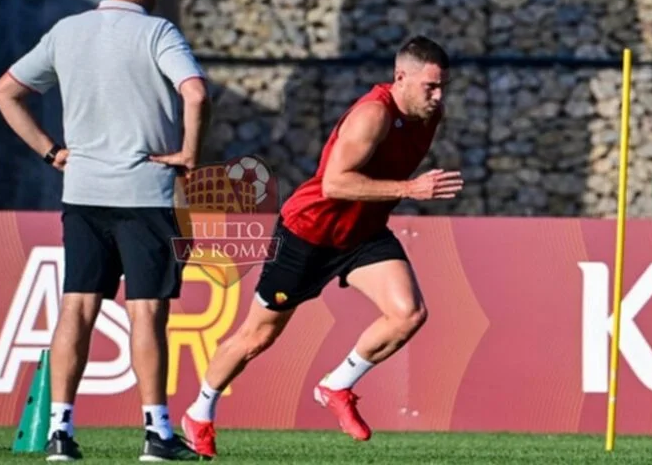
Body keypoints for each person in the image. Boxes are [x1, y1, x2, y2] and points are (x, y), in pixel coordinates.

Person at [180, 36, 463, 457]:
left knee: (409, 313)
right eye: (430, 87)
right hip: (309, 233)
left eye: (443, 87)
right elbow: (334, 183)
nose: (439, 97)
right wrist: (410, 188)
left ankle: (337, 385)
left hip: (361, 234)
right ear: (400, 77)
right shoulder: (372, 115)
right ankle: (199, 412)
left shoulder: (426, 115)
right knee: (257, 337)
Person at [0, 0, 209, 462]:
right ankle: (157, 433)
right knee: (147, 313)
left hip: (84, 192)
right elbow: (195, 91)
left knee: (77, 308)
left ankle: (60, 431)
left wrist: (50, 152)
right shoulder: (158, 31)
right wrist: (189, 154)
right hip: (144, 194)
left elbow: (5, 91)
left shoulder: (67, 31)